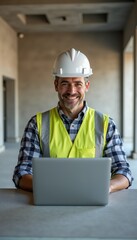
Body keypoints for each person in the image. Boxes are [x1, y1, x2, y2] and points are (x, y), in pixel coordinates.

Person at [13, 48, 133, 192]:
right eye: (64, 83)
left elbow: (123, 171)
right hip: (49, 204)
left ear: (87, 86)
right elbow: (22, 172)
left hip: (93, 204)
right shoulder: (37, 124)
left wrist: (105, 188)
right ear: (56, 85)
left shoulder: (106, 125)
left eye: (78, 84)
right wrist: (50, 189)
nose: (71, 91)